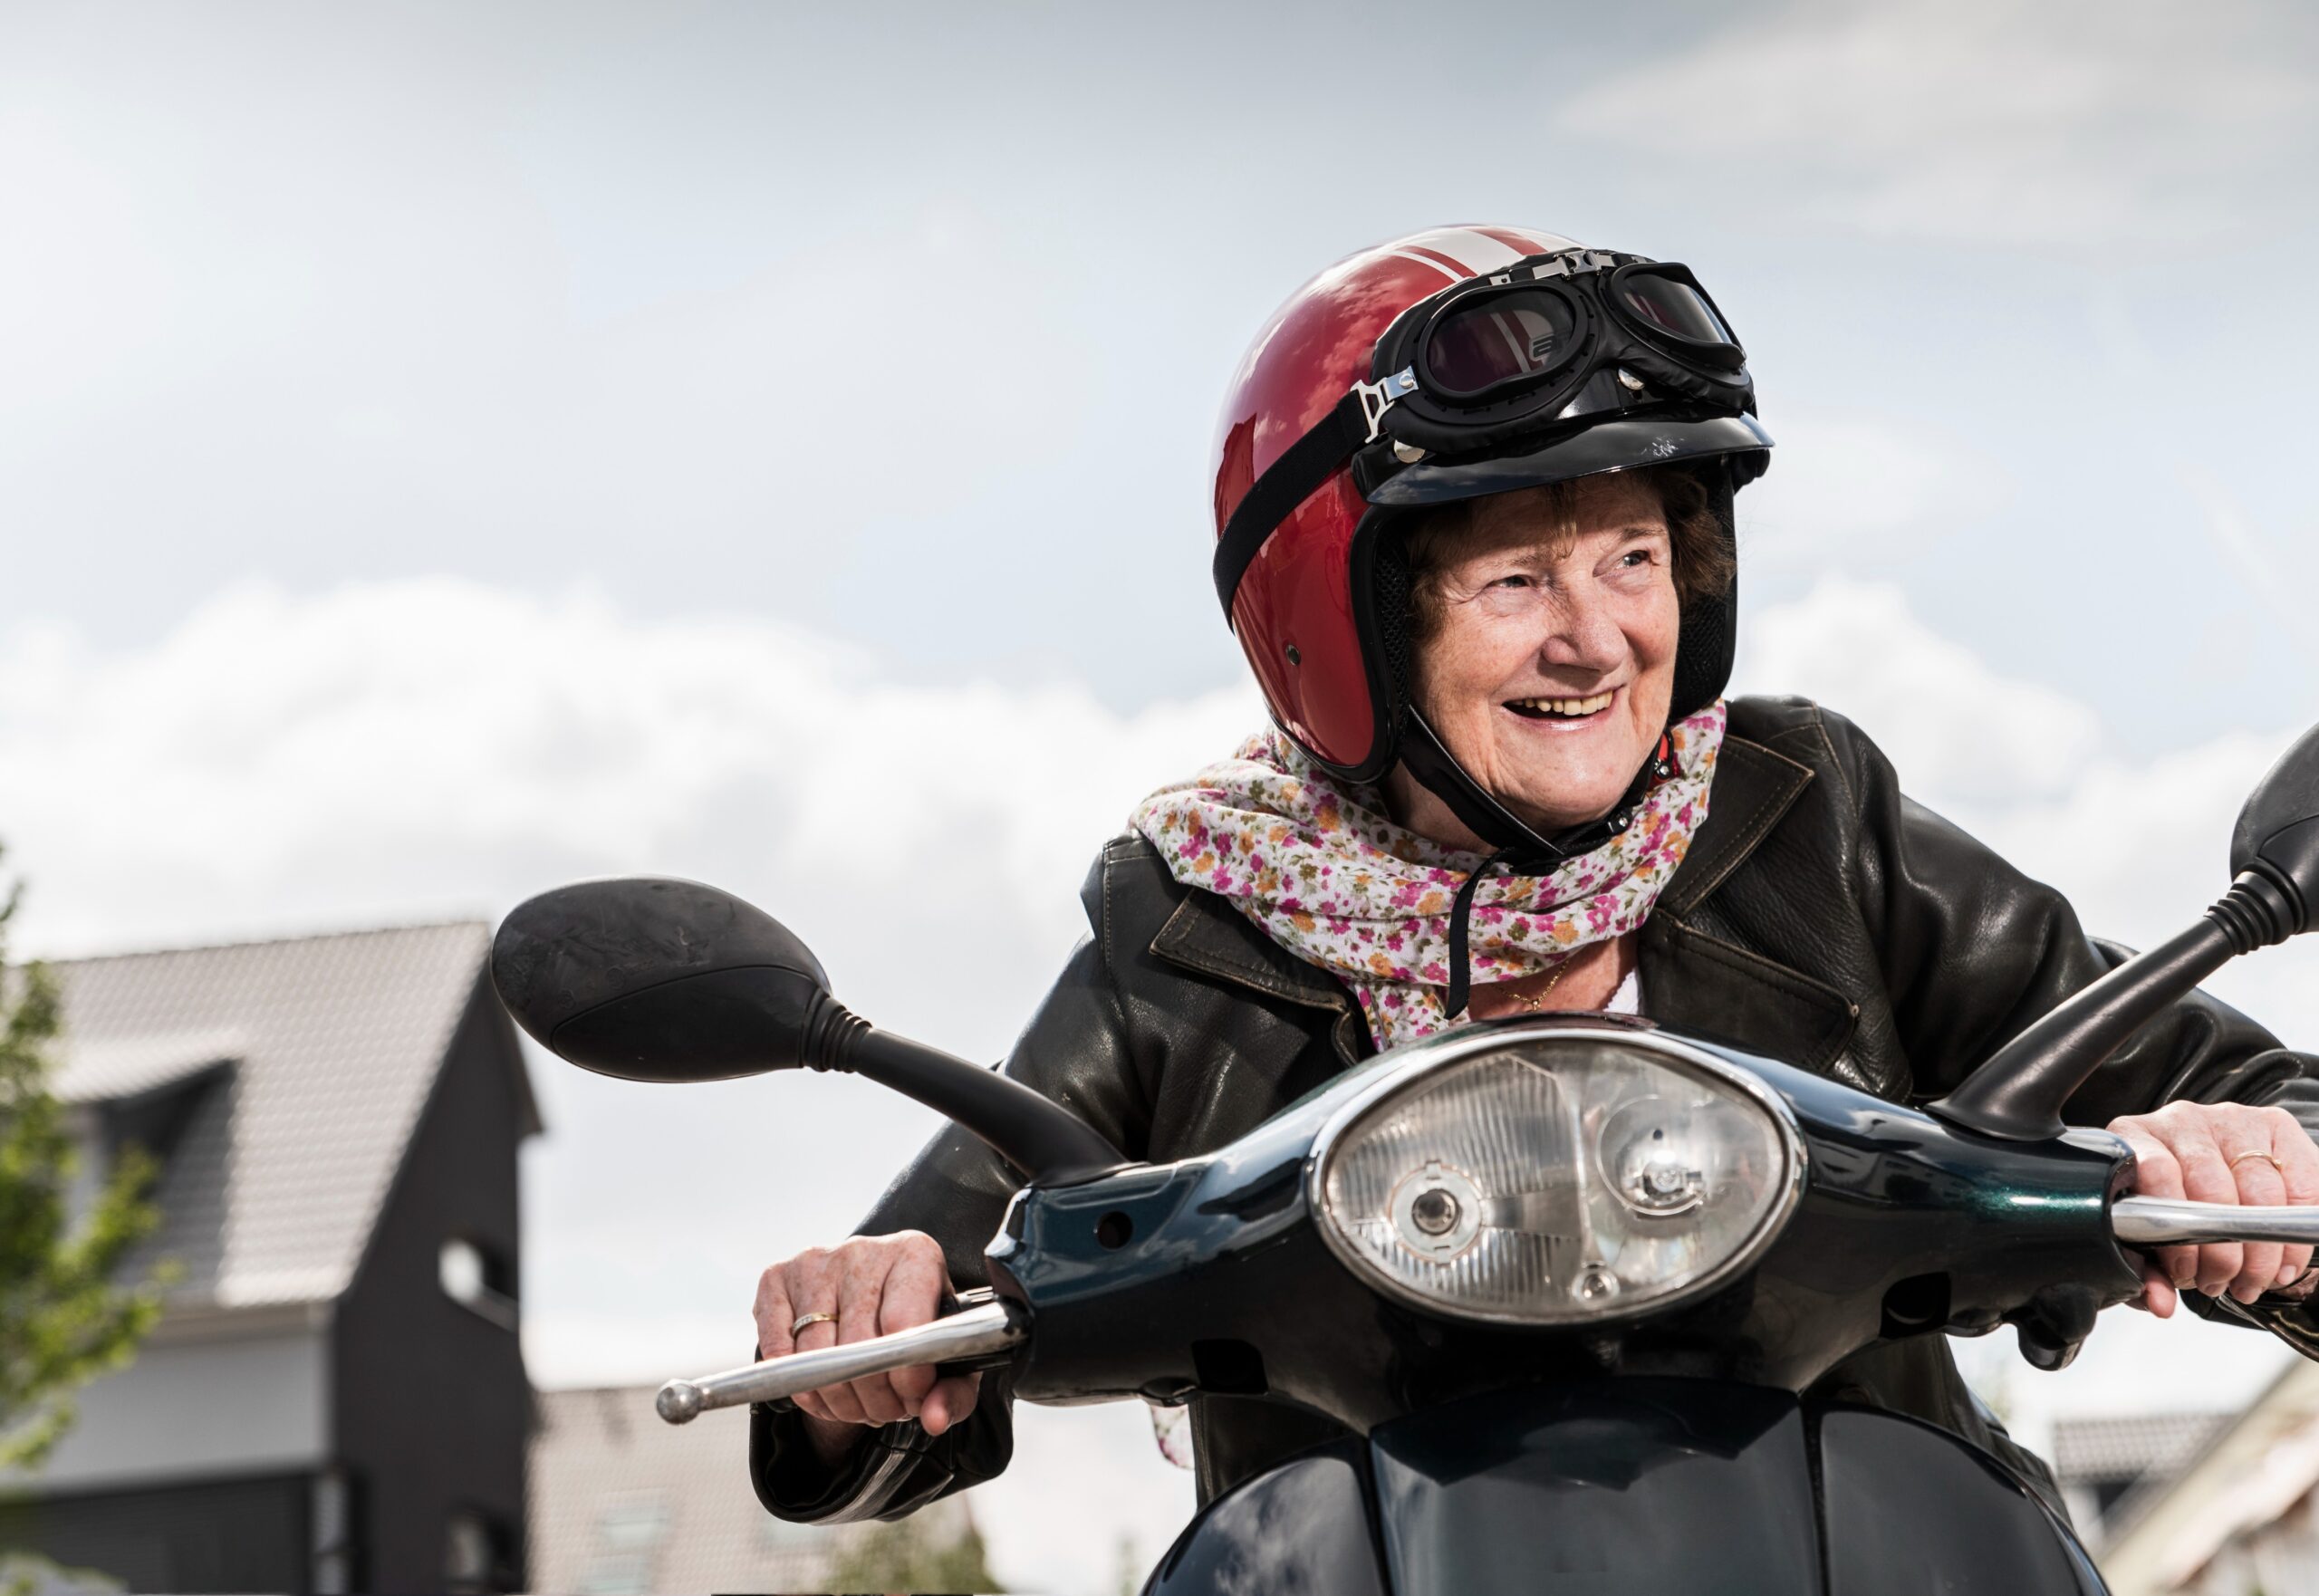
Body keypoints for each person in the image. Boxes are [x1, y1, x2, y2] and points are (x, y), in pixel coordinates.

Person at [747, 226, 2319, 1523]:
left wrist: (2245, 1164)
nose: (1597, 637)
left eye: (1634, 557)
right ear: (1341, 624)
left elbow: (2260, 1103)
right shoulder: (1190, 930)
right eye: (1514, 577)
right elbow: (940, 1306)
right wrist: (861, 1334)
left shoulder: (1802, 819)